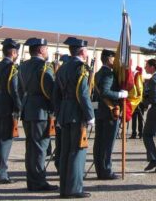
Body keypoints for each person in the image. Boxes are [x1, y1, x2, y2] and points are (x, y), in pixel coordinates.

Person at [53, 37, 94, 198]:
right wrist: (90, 115)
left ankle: (64, 188)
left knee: (65, 151)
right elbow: (83, 93)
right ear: (83, 51)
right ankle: (75, 189)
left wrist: (58, 112)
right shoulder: (80, 67)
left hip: (64, 112)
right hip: (77, 113)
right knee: (77, 152)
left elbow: (55, 94)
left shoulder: (62, 68)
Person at [18, 37, 58, 192]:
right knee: (40, 148)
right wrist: (56, 108)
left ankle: (32, 180)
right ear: (41, 50)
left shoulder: (23, 66)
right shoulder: (44, 66)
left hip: (28, 108)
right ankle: (38, 182)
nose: (47, 52)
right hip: (41, 110)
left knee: (31, 147)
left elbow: (20, 89)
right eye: (46, 49)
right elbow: (50, 91)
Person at [0, 38, 22, 184]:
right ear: (14, 53)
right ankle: (1, 174)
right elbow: (15, 90)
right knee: (5, 140)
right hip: (9, 106)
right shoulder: (13, 68)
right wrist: (19, 107)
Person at [93, 49, 128, 180]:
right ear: (108, 59)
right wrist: (120, 94)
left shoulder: (98, 73)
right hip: (109, 112)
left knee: (99, 143)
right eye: (114, 58)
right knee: (107, 144)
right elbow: (104, 92)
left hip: (101, 112)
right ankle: (106, 171)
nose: (116, 61)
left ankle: (100, 170)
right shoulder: (108, 74)